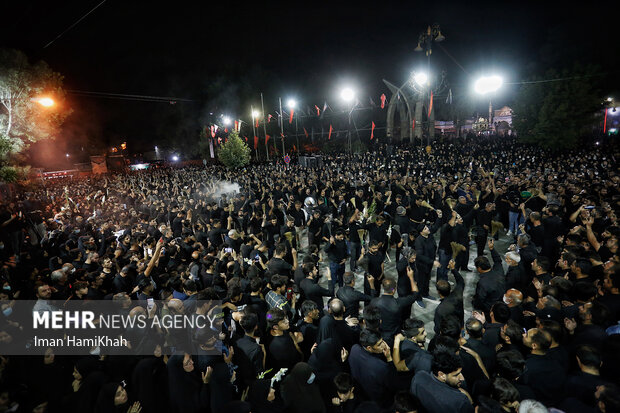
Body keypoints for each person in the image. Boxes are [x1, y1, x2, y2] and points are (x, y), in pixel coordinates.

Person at [348, 329, 396, 408]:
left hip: (361, 396)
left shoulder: (354, 349)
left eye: (382, 341)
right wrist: (389, 358)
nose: (384, 345)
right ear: (369, 348)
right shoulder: (380, 367)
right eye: (379, 344)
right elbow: (393, 383)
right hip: (379, 402)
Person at [370, 275, 418, 344]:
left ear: (383, 287)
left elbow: (372, 298)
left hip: (379, 334)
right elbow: (415, 295)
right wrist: (411, 277)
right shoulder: (399, 303)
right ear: (394, 289)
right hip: (394, 335)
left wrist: (371, 284)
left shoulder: (375, 302)